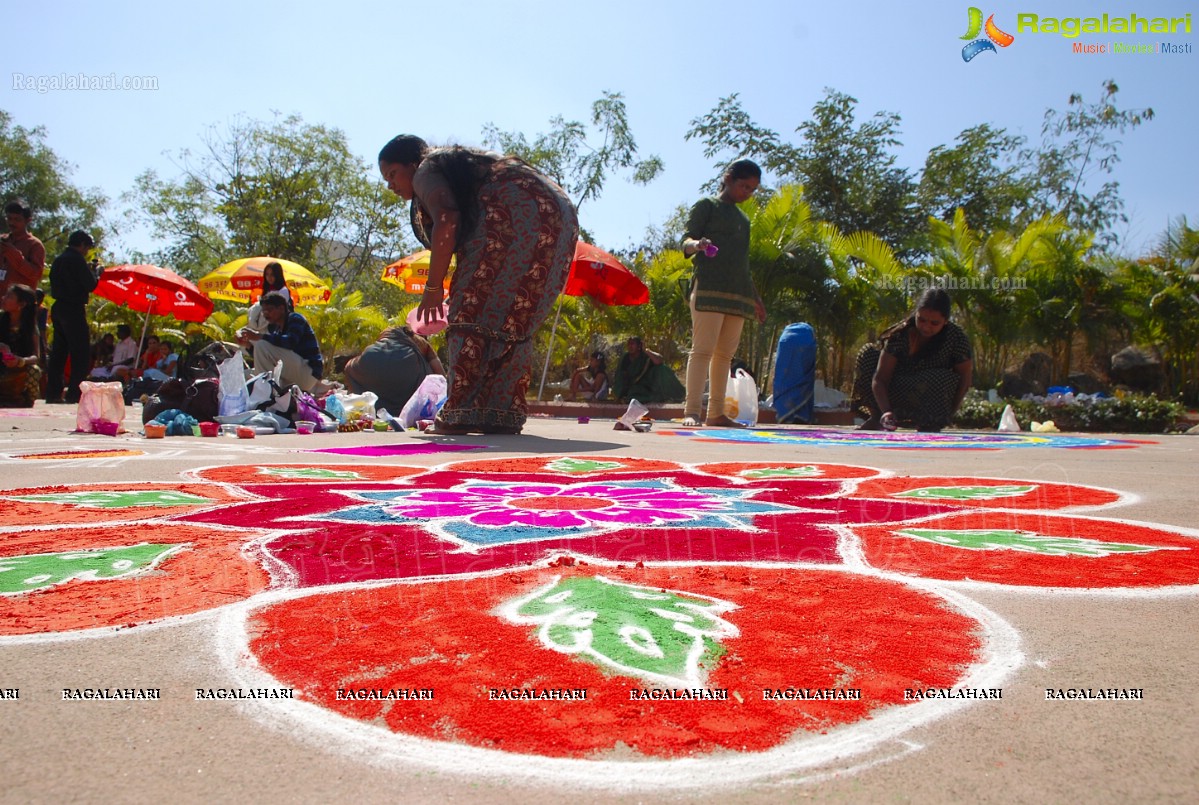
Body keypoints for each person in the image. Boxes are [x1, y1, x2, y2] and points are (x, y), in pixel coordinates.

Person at [378, 134, 579, 435]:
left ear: (411, 163)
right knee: (511, 316)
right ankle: (498, 413)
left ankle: (460, 413)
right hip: (557, 218)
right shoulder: (459, 167)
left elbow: (447, 220)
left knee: (470, 308)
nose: (390, 185)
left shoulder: (426, 169)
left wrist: (433, 292)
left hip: (519, 216)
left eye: (392, 174)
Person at [680, 159, 766, 427]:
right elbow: (685, 240)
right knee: (702, 351)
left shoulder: (744, 220)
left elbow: (743, 264)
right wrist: (698, 245)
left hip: (738, 295)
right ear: (728, 178)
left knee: (724, 356)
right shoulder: (707, 205)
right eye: (744, 186)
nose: (747, 193)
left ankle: (716, 414)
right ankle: (692, 411)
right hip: (708, 288)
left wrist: (756, 299)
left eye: (752, 189)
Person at [851, 288, 974, 433]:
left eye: (934, 323)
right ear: (916, 314)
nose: (926, 327)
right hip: (893, 390)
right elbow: (880, 378)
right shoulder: (900, 334)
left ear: (945, 322)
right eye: (921, 320)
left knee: (941, 378)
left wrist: (947, 415)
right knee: (868, 353)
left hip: (929, 394)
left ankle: (929, 423)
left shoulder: (957, 339)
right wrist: (886, 411)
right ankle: (877, 418)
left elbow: (964, 380)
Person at [45, 230, 99, 404]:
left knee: (59, 352)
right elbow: (90, 284)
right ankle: (74, 393)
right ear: (82, 245)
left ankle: (53, 392)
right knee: (81, 352)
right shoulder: (77, 260)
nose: (86, 251)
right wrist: (97, 273)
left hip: (59, 306)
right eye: (86, 247)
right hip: (73, 308)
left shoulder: (59, 260)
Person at [342, 324, 445, 414]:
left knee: (350, 368)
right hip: (406, 365)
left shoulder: (386, 333)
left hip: (372, 357)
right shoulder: (420, 340)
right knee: (427, 374)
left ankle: (360, 406)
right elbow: (440, 373)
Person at [237, 292, 326, 392]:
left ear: (281, 308)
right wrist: (248, 345)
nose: (266, 314)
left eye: (269, 310)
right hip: (296, 374)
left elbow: (290, 342)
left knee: (261, 344)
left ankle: (265, 393)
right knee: (245, 375)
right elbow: (264, 357)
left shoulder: (295, 319)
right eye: (264, 311)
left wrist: (259, 336)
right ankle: (269, 392)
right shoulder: (277, 330)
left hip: (308, 372)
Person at [0, 283, 43, 407]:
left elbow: (36, 357)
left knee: (34, 370)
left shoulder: (31, 327)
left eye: (9, 297)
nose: (4, 298)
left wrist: (20, 361)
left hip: (18, 369)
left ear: (21, 304)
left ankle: (26, 400)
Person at [611, 337, 684, 403]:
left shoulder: (645, 356)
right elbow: (620, 376)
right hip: (633, 386)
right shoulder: (625, 358)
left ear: (639, 346)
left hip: (648, 385)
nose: (630, 346)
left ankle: (676, 395)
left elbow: (659, 361)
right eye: (629, 344)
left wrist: (646, 350)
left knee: (662, 368)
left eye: (632, 344)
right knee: (633, 395)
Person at [1, 199, 46, 297]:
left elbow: (36, 274)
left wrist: (14, 255)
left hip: (20, 305)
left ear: (28, 220)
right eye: (9, 218)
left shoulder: (34, 245)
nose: (12, 223)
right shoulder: (3, 240)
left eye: (17, 219)